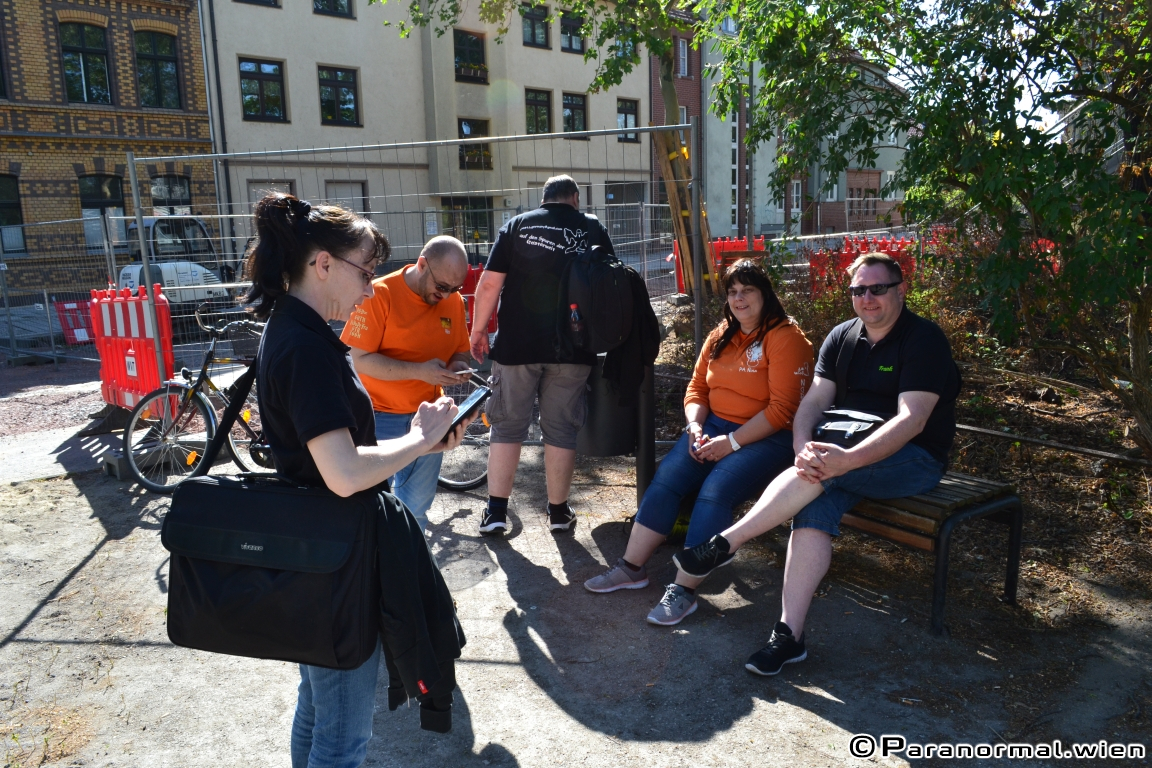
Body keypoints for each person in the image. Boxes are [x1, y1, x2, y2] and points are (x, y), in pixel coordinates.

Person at [244, 193, 466, 768]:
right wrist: (419, 440)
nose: (370, 289)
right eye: (365, 272)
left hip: (319, 551)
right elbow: (343, 475)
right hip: (335, 564)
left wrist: (416, 437)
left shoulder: (298, 329)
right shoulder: (306, 346)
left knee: (317, 710)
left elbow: (337, 456)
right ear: (323, 263)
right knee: (342, 740)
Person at [672, 252, 960, 675]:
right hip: (834, 457)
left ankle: (725, 543)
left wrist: (847, 460)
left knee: (823, 475)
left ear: (901, 290)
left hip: (913, 459)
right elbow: (814, 400)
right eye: (858, 290)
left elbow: (911, 420)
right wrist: (802, 445)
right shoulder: (842, 336)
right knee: (814, 502)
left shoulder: (923, 340)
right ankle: (789, 636)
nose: (867, 298)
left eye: (877, 289)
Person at [583, 260, 813, 625]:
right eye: (732, 292)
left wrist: (731, 442)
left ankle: (684, 590)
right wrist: (694, 427)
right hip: (714, 426)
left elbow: (784, 410)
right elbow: (697, 388)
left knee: (715, 490)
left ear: (765, 294)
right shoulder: (723, 332)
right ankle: (631, 568)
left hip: (769, 436)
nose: (739, 299)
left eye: (747, 290)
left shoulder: (786, 337)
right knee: (668, 478)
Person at [468, 174, 613, 534]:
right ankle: (559, 513)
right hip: (574, 347)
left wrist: (478, 330)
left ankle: (496, 513)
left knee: (507, 426)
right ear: (575, 198)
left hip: (517, 345)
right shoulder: (592, 227)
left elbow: (489, 283)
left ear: (544, 198)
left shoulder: (517, 225)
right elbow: (611, 284)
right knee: (561, 429)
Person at [340, 235, 472, 530]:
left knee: (416, 513)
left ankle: (408, 561)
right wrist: (420, 372)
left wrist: (458, 366)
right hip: (378, 419)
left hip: (428, 419)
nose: (447, 296)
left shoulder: (452, 301)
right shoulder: (379, 294)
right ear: (422, 264)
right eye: (442, 287)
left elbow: (459, 350)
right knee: (369, 510)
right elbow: (356, 359)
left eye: (455, 289)